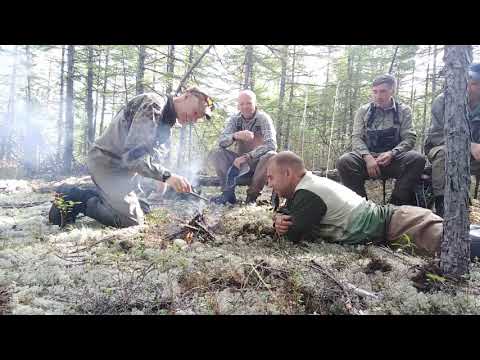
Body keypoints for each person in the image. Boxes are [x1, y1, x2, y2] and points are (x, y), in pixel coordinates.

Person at [49, 87, 215, 228]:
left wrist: (161, 179)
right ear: (187, 96)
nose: (193, 119)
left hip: (124, 172)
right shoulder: (154, 104)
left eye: (197, 118)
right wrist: (167, 176)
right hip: (107, 163)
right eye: (195, 112)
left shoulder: (168, 124)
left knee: (144, 208)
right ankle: (75, 197)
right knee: (132, 221)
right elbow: (133, 158)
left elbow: (152, 160)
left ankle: (105, 196)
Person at [268, 151, 446, 257]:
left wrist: (282, 225)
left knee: (456, 244)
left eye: (271, 177)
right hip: (393, 223)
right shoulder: (306, 186)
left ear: (288, 173)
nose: (269, 184)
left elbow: (292, 236)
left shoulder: (308, 192)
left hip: (399, 225)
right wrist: (279, 217)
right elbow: (287, 211)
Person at [336, 74, 426, 205]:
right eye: (375, 92)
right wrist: (367, 157)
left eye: (383, 91)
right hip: (368, 161)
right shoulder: (363, 111)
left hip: (394, 160)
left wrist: (392, 153)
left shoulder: (404, 110)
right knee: (344, 161)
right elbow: (356, 138)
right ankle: (359, 206)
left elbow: (409, 138)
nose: (378, 96)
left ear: (392, 91)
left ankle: (395, 205)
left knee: (417, 159)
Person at [424, 63, 480, 217]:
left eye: (474, 84)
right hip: (441, 146)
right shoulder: (443, 101)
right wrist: (468, 145)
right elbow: (436, 135)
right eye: (466, 82)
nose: (468, 87)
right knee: (446, 155)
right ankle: (445, 211)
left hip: (474, 158)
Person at [208, 90, 277, 205]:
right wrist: (235, 136)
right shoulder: (235, 119)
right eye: (242, 104)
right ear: (238, 106)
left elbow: (271, 144)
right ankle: (228, 194)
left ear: (255, 103)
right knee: (217, 152)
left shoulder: (263, 118)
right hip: (240, 165)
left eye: (249, 103)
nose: (245, 107)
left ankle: (251, 197)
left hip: (259, 165)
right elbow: (221, 142)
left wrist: (248, 156)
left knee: (271, 155)